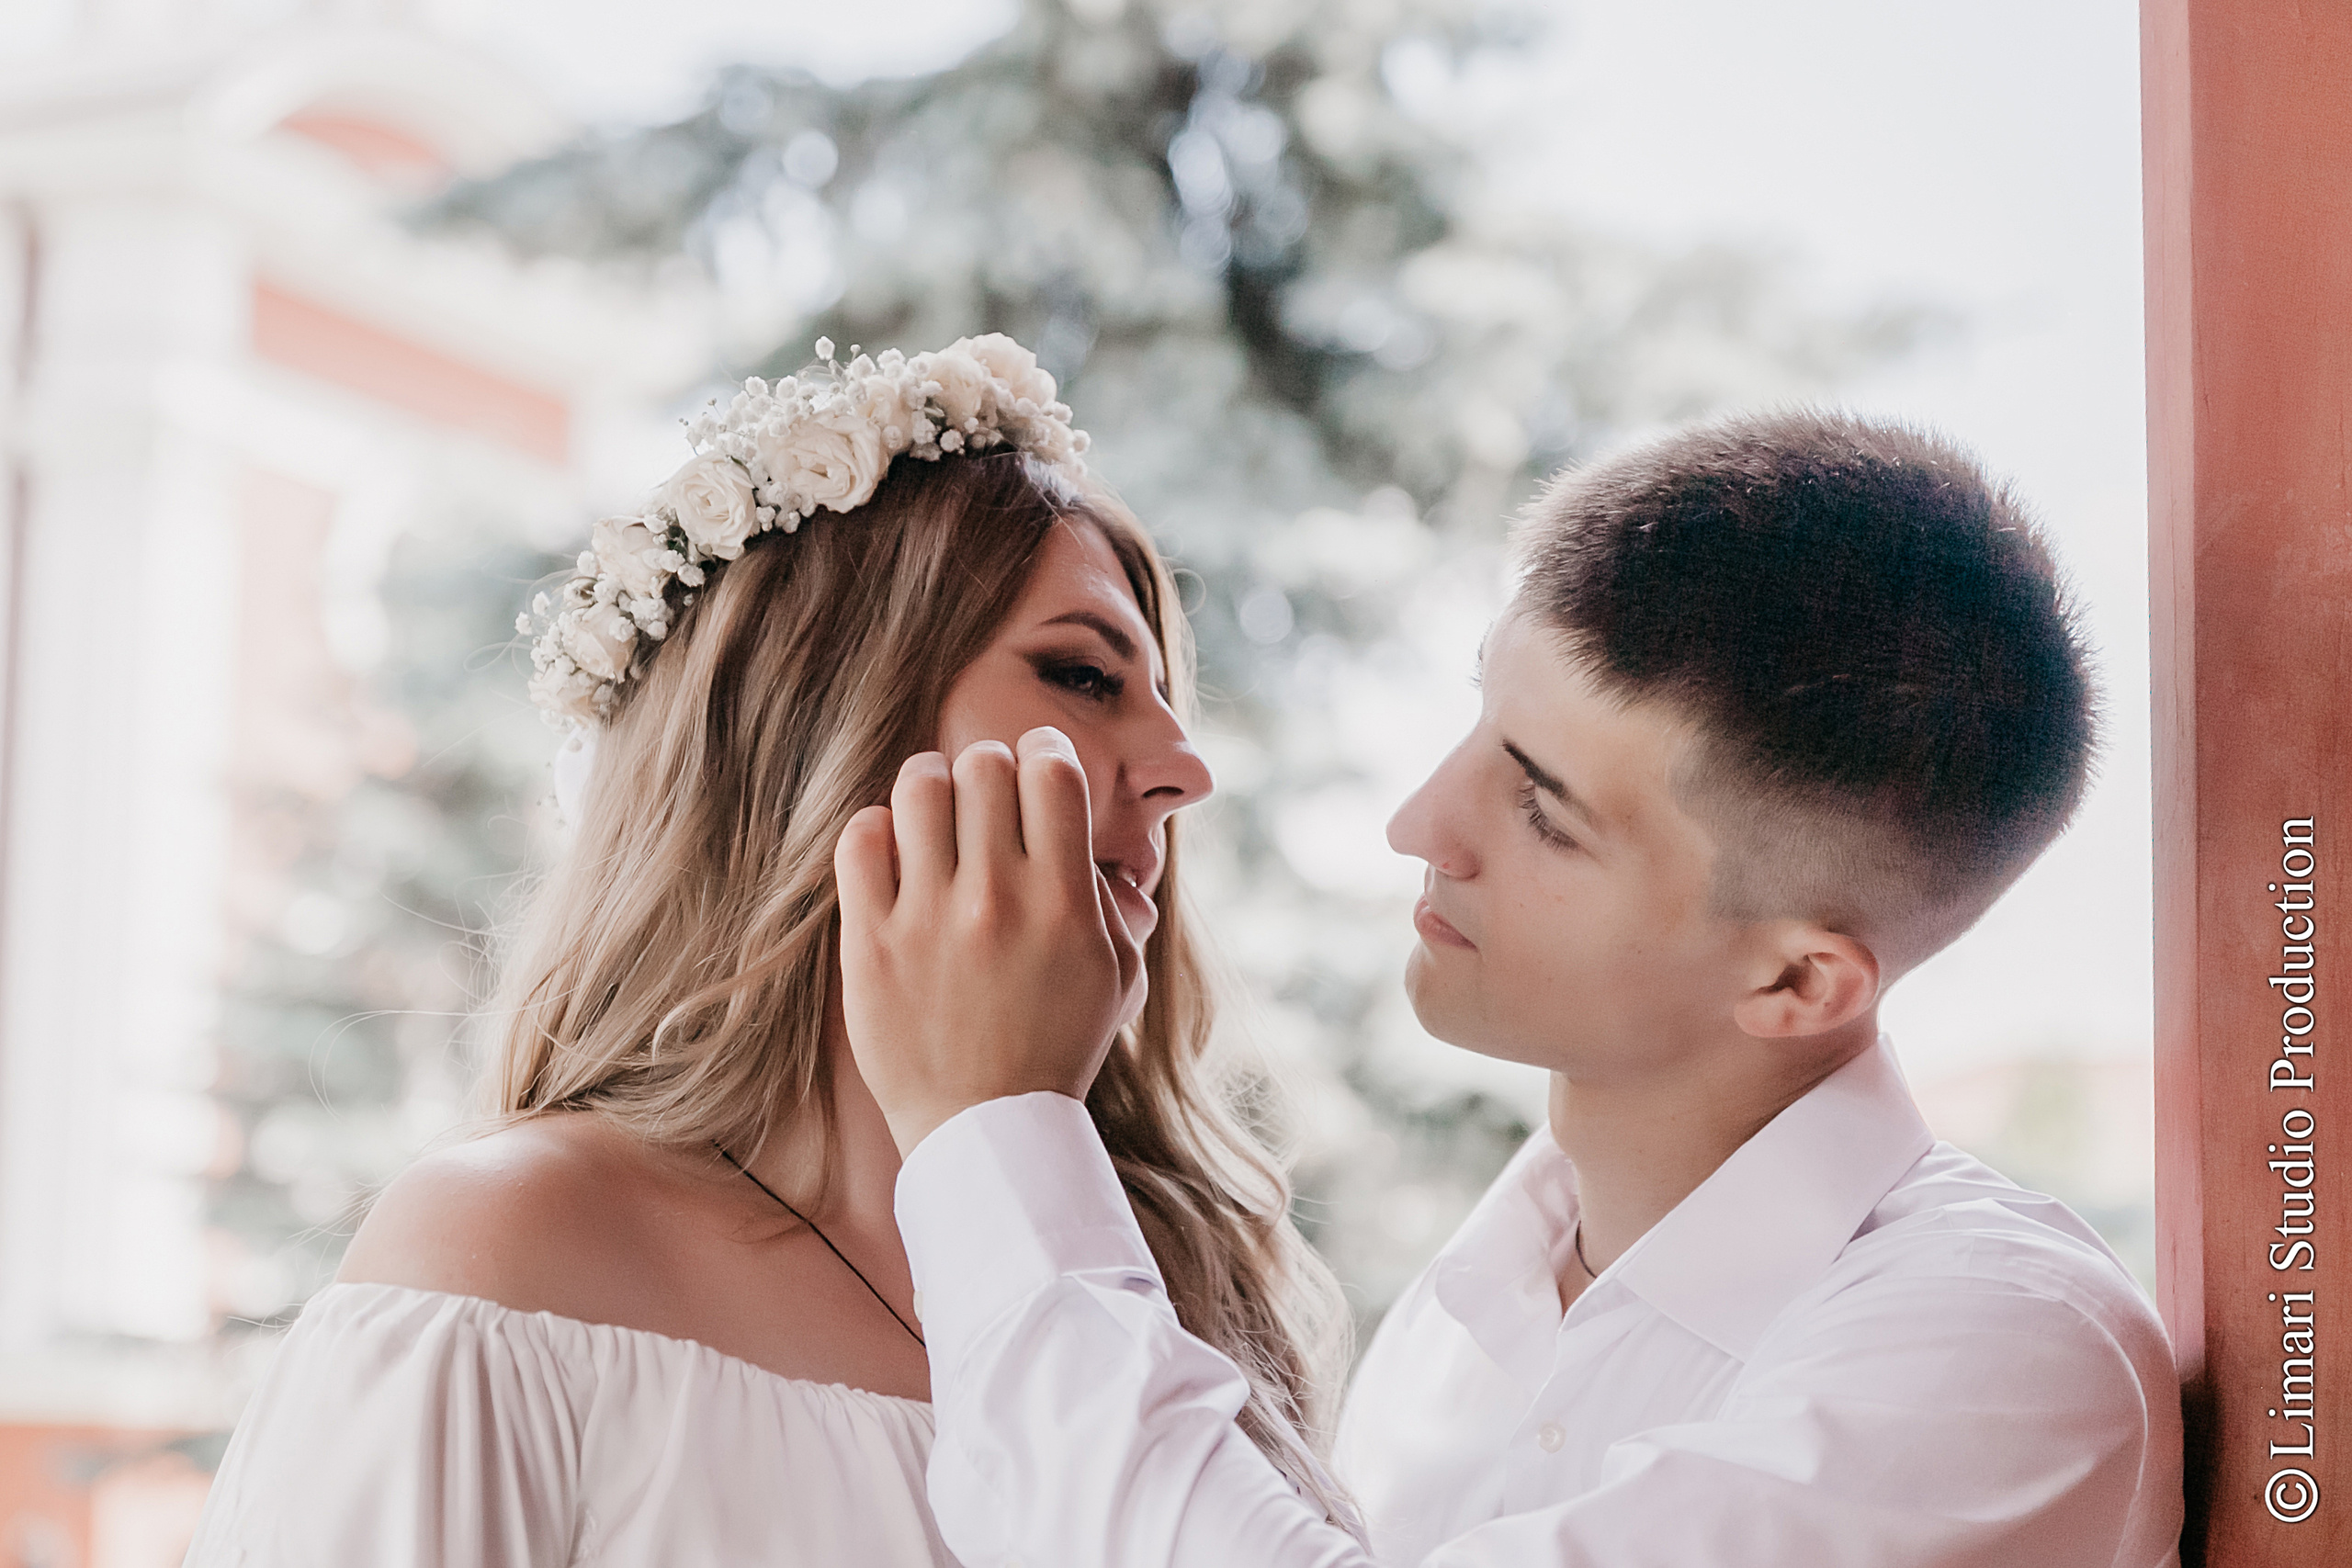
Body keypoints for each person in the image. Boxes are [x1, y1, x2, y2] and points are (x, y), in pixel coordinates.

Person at [838, 412, 2186, 1568]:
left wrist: (995, 1126)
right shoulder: (1465, 1312)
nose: (1421, 821)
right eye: (1480, 721)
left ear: (1792, 978)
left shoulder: (1998, 1360)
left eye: (1544, 810)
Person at [184, 335, 1353, 1565]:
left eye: (1168, 696)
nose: (1185, 768)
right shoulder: (507, 1257)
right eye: (1082, 674)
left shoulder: (1182, 1290)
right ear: (826, 720)